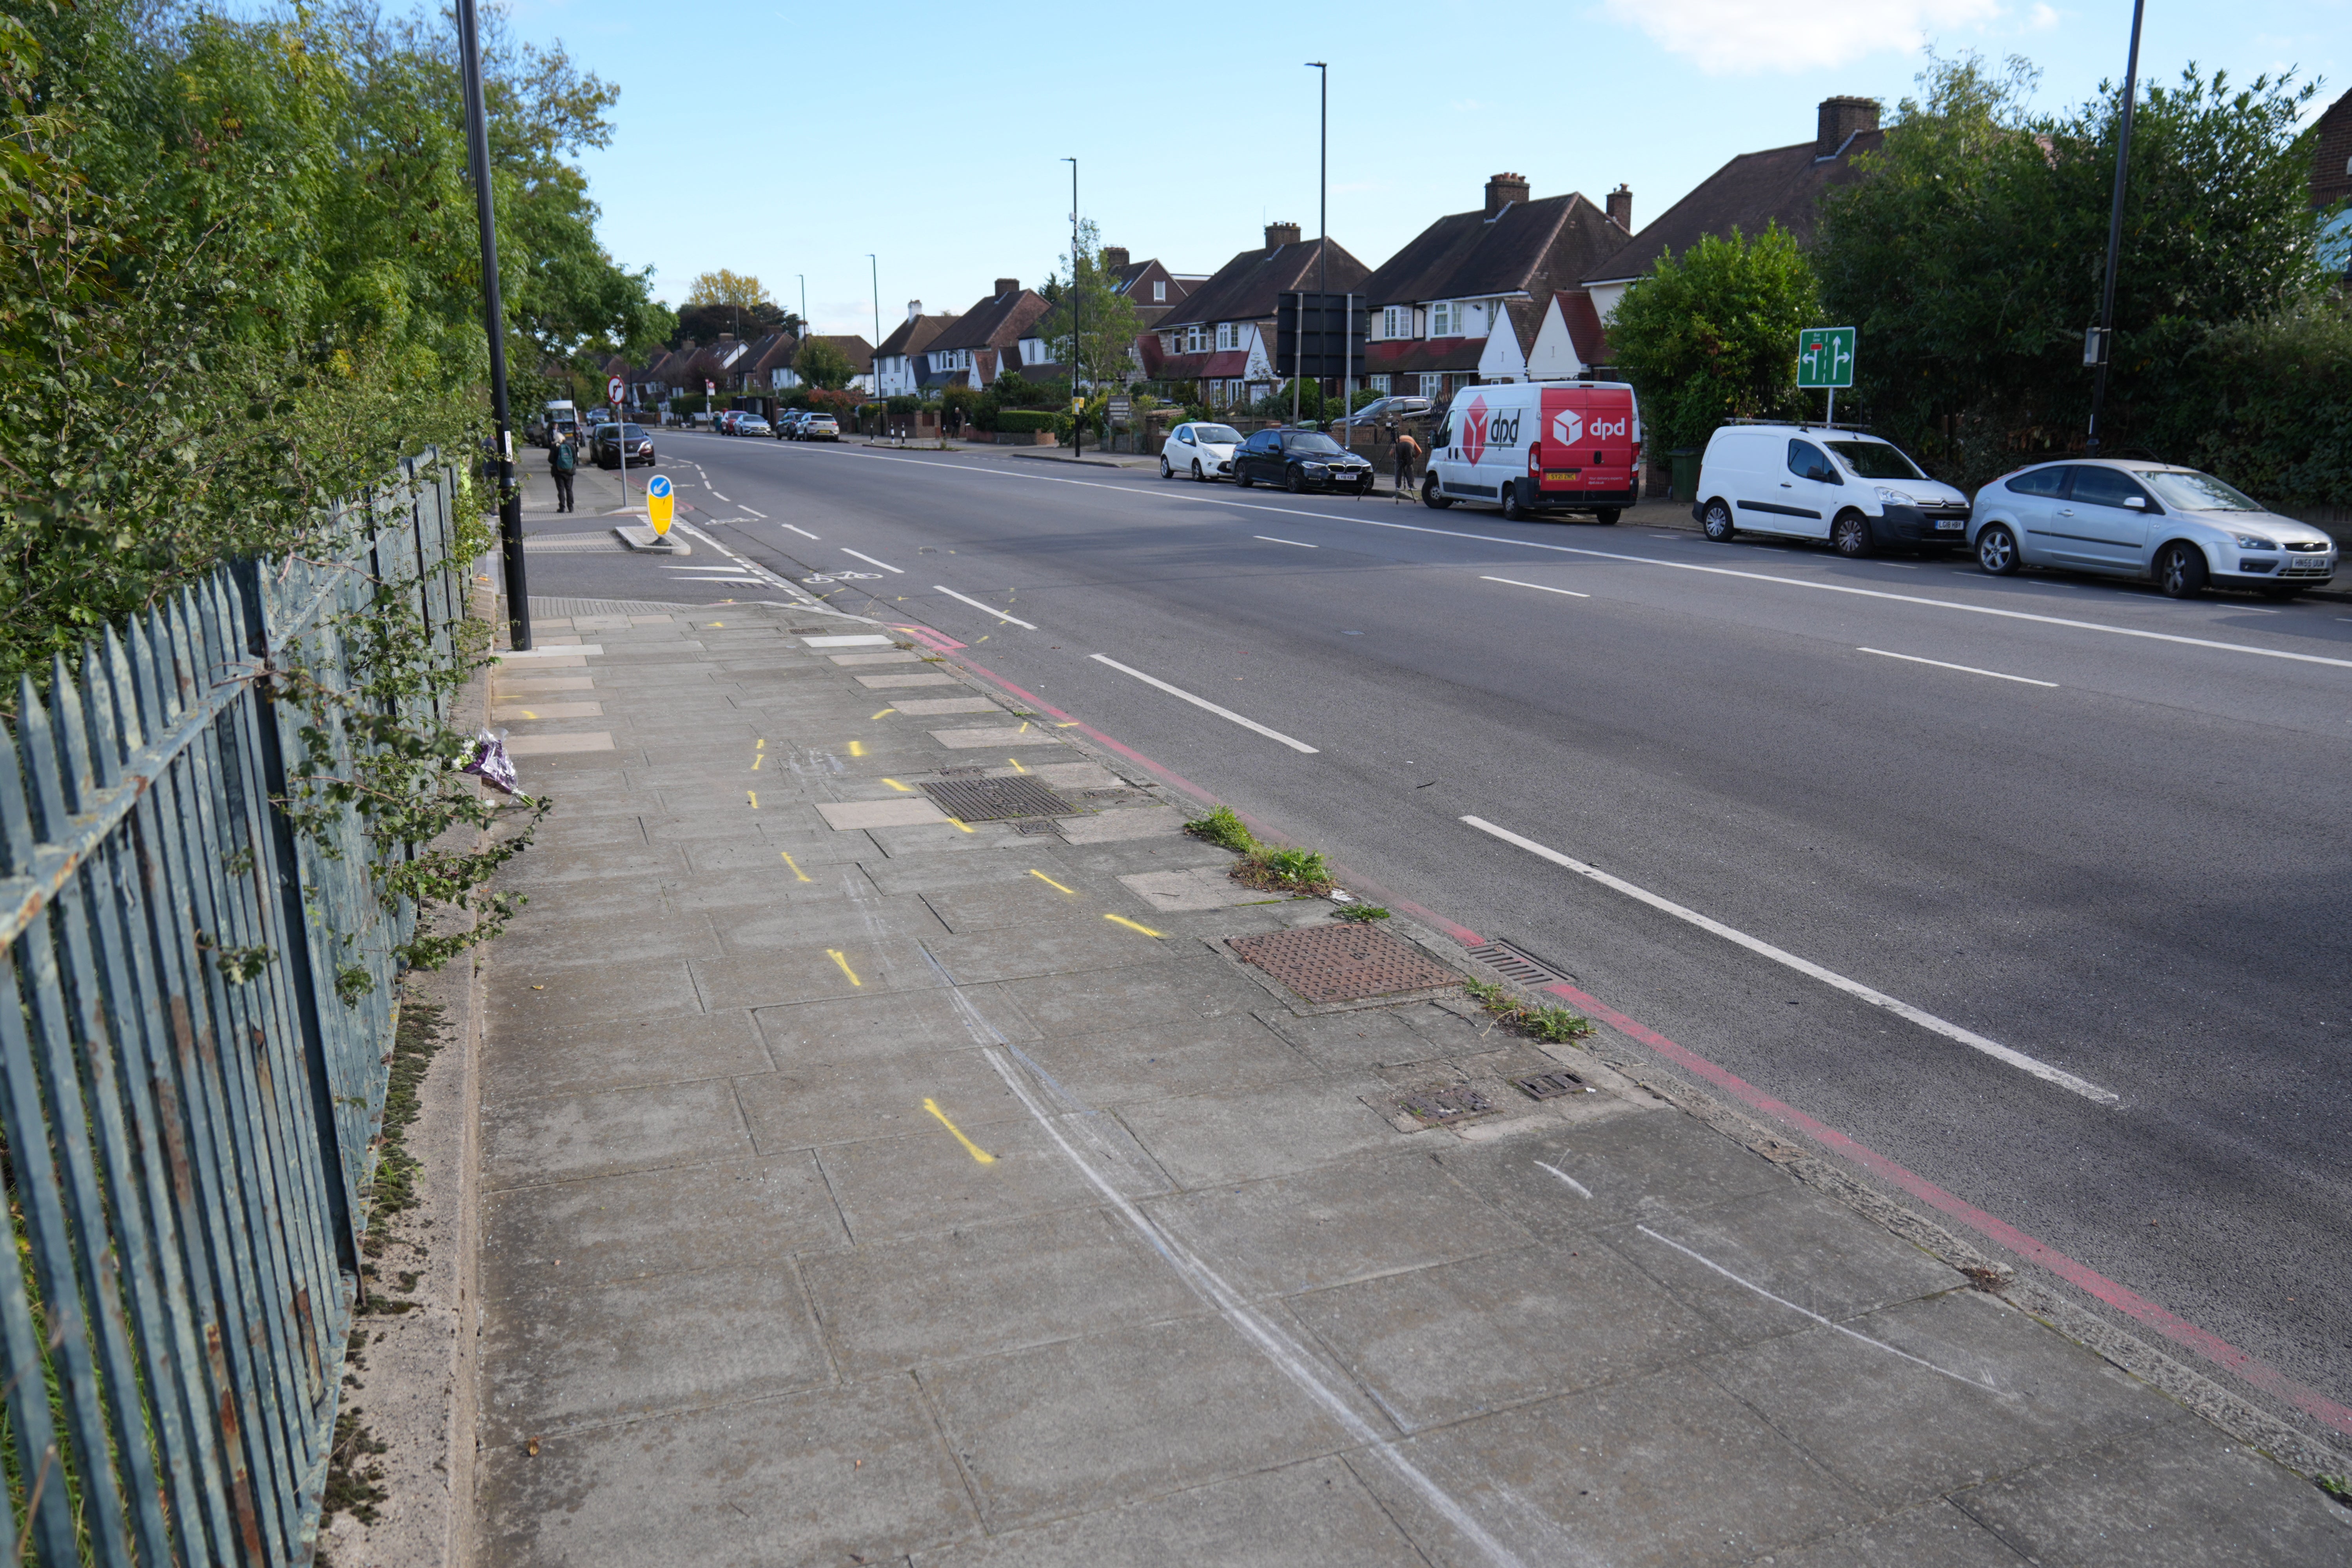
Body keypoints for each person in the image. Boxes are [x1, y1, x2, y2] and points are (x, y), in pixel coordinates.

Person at [548, 430, 577, 514]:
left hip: (558, 472)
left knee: (561, 490)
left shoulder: (555, 447)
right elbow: (575, 459)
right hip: (569, 472)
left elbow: (551, 460)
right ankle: (571, 508)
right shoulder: (570, 446)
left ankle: (562, 508)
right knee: (569, 490)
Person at [1392, 427, 1422, 504]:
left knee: (1399, 467)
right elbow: (1420, 451)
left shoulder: (1398, 440)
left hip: (1400, 445)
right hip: (1409, 445)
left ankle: (1398, 486)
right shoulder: (1411, 439)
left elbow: (1391, 453)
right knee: (1409, 466)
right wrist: (1413, 460)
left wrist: (1396, 460)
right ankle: (1411, 486)